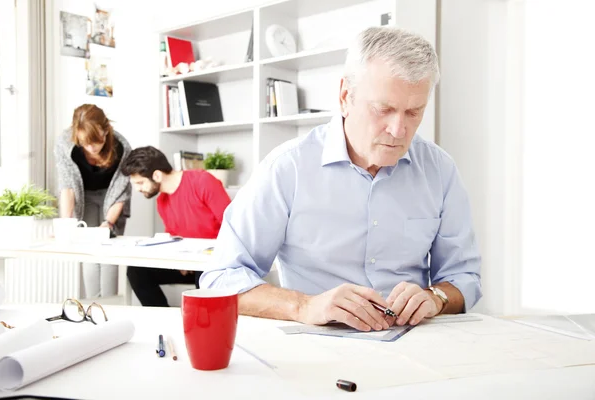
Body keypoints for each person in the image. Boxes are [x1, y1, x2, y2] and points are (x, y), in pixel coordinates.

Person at [200, 26, 482, 331]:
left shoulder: (439, 170)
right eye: (383, 109)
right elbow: (220, 277)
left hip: (412, 343)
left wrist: (435, 297)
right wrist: (304, 305)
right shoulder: (287, 168)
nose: (399, 130)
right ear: (346, 96)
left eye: (414, 112)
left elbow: (463, 278)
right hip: (317, 344)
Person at [120, 146, 231, 307]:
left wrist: (200, 258)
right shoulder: (162, 201)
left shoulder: (203, 181)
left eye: (140, 182)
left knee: (203, 271)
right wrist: (180, 260)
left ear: (157, 175)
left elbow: (232, 227)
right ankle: (162, 323)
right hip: (188, 263)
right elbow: (175, 237)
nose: (137, 189)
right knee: (137, 271)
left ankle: (205, 322)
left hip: (214, 262)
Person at [54, 104, 132, 298]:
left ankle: (109, 305)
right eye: (85, 143)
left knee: (109, 250)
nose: (91, 148)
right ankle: (92, 304)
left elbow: (121, 190)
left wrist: (108, 223)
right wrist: (65, 224)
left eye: (96, 141)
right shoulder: (65, 144)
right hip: (84, 196)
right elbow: (68, 186)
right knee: (87, 250)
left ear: (106, 130)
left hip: (111, 196)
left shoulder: (121, 147)